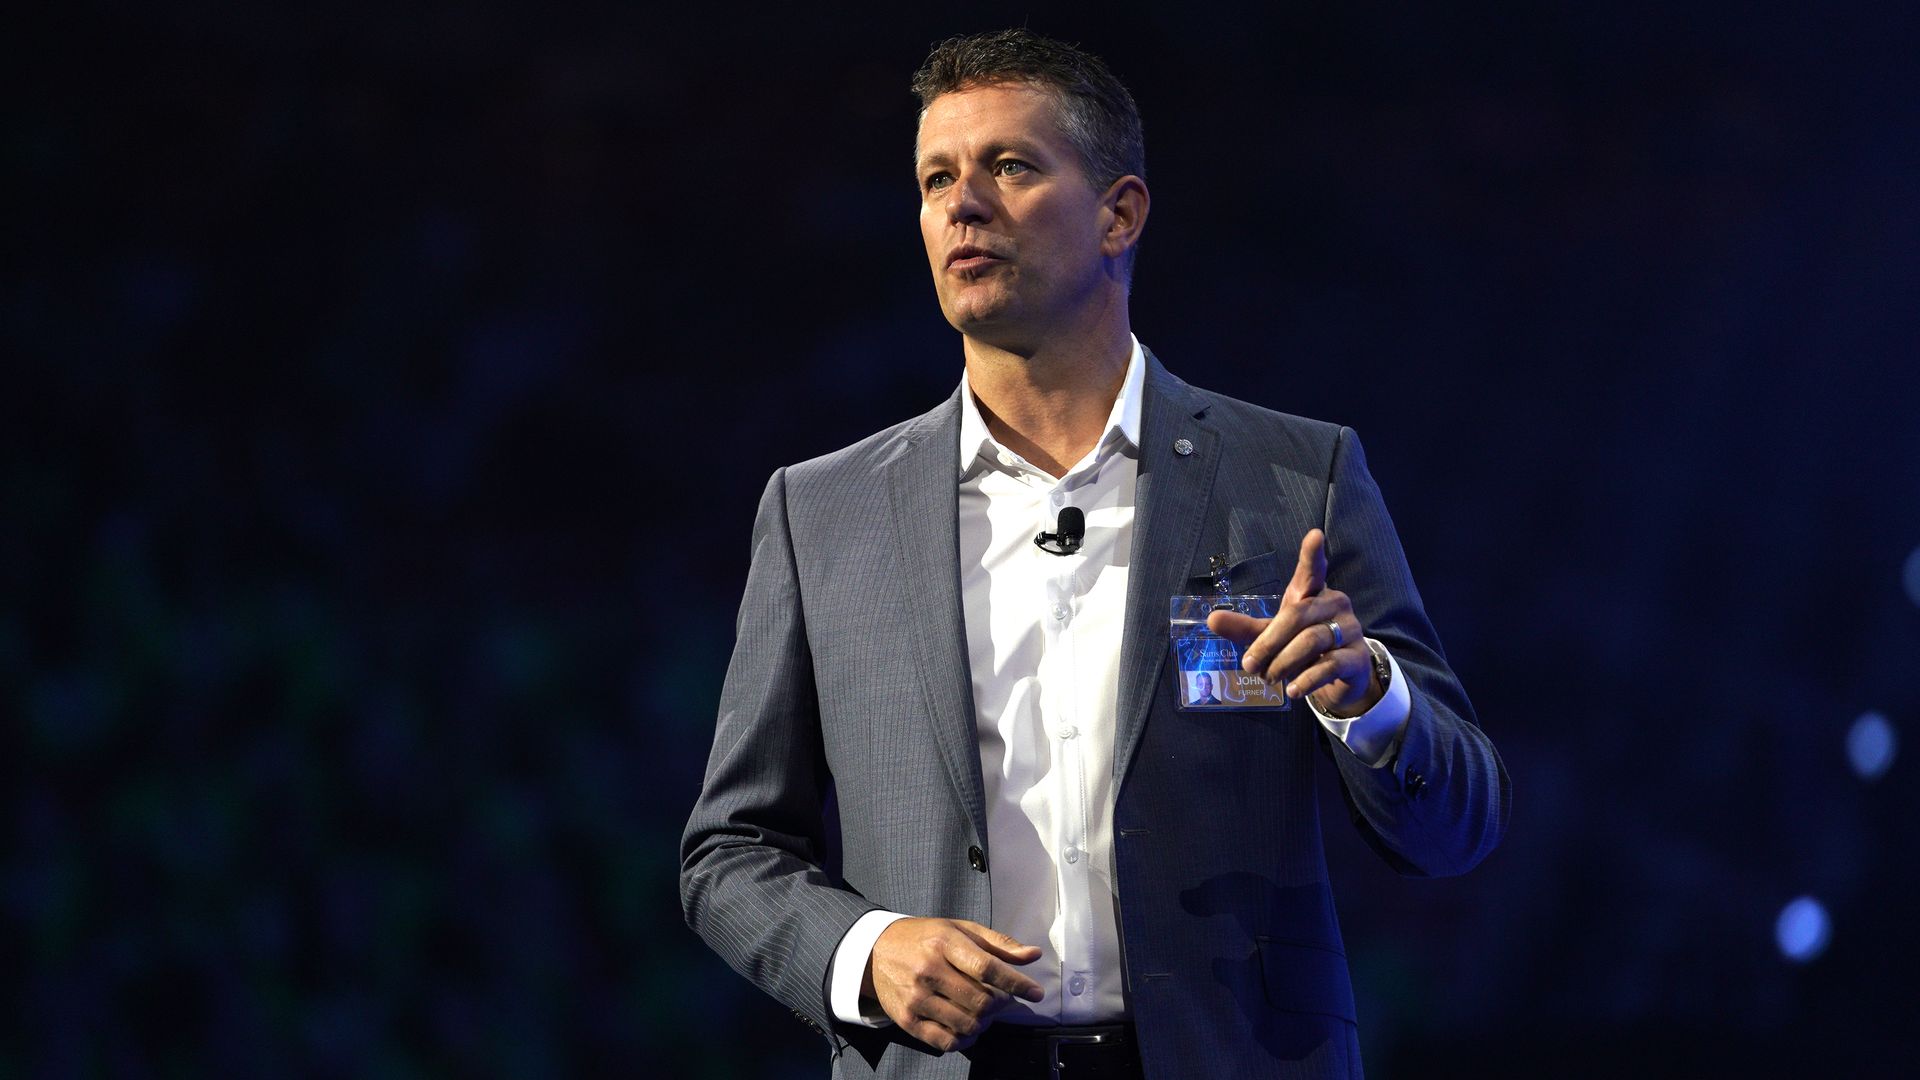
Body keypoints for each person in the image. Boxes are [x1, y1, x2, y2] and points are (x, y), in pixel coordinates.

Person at [681, 28, 1509, 1080]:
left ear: (1120, 212)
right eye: (938, 177)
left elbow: (1461, 825)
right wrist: (865, 950)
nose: (962, 204)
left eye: (1010, 167)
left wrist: (1371, 699)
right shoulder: (822, 512)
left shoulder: (1299, 477)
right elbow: (728, 854)